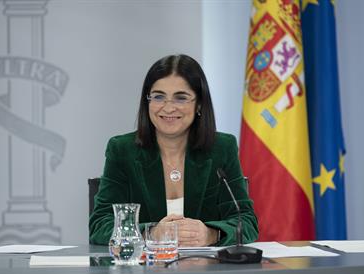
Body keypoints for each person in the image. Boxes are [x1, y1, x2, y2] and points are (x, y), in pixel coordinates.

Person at [89, 54, 258, 247]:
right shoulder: (122, 150)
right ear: (148, 102)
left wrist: (211, 234)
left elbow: (246, 221)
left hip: (207, 272)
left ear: (199, 104)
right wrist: (151, 233)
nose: (168, 108)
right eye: (159, 97)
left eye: (181, 98)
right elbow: (100, 225)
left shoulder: (222, 148)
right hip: (142, 273)